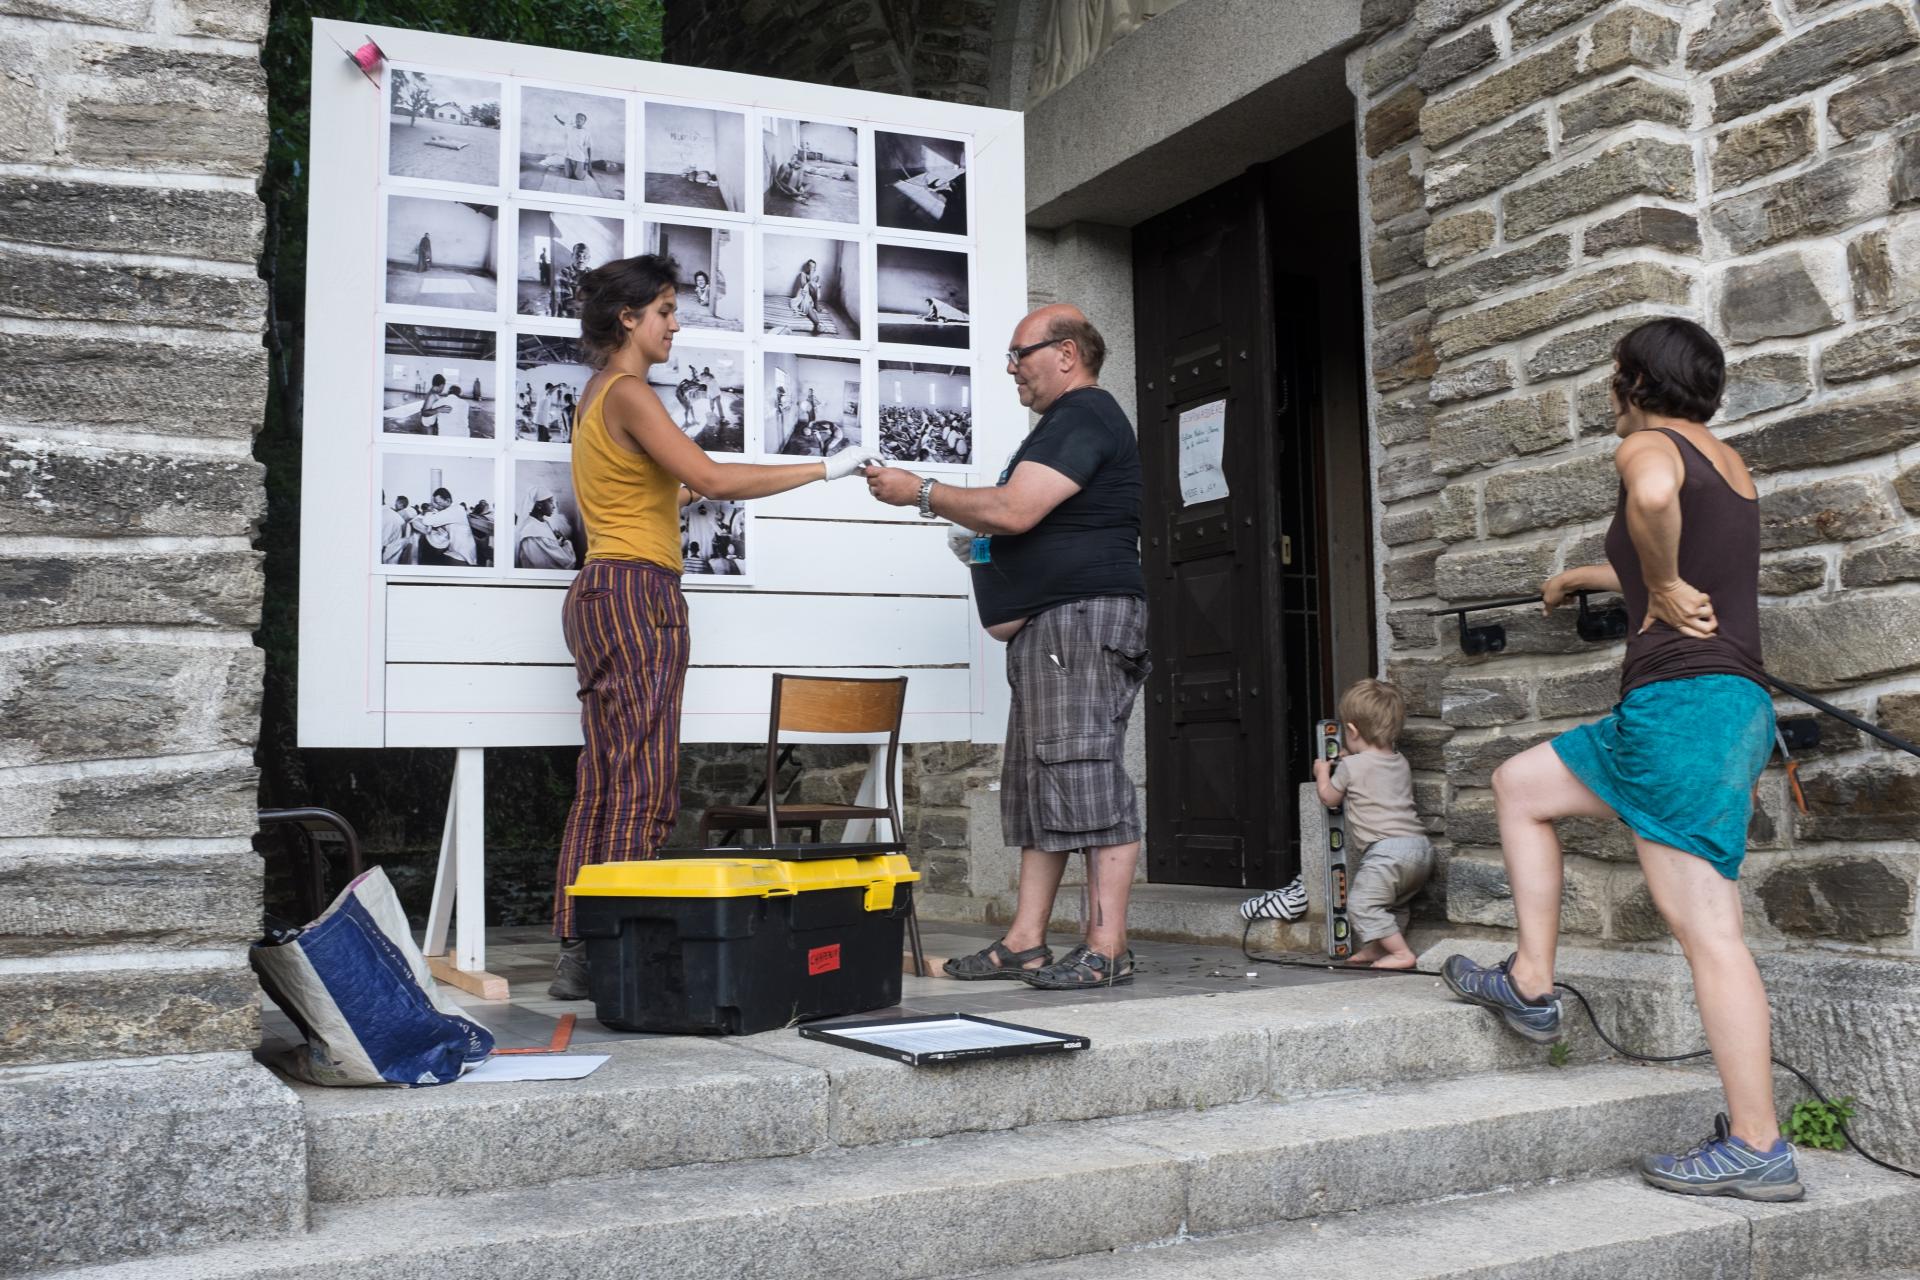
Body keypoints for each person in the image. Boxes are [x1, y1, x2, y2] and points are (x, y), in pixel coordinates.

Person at [1440, 318, 1802, 1202]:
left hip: (1683, 709)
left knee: (1708, 931)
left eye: (1614, 377)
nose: (1611, 391)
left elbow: (1649, 502)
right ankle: (1529, 981)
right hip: (1710, 707)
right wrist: (1586, 578)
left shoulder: (1648, 447)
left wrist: (1668, 583)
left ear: (1635, 383)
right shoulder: (1725, 460)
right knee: (1519, 786)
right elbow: (1662, 543)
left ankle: (1759, 1145)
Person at [548, 253, 873, 1000]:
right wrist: (829, 468)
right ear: (629, 319)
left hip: (600, 590)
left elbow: (675, 484)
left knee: (603, 782)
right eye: (664, 310)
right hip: (637, 592)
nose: (675, 322)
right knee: (642, 785)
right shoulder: (629, 391)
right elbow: (717, 480)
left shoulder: (599, 394)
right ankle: (616, 950)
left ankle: (580, 945)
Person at [865, 304, 1148, 989]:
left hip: (1080, 623)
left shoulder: (1085, 414)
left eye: (1020, 353)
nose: (1012, 368)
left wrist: (921, 492)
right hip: (1052, 630)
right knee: (1037, 785)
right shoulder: (1062, 425)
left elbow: (1015, 509)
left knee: (1082, 773)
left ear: (1067, 353)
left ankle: (1107, 947)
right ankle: (1025, 942)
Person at [1309, 680, 1431, 970]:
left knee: (1363, 904)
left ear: (1351, 730)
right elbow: (1373, 769)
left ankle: (1402, 954)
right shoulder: (1399, 760)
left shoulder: (1351, 766)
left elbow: (1329, 798)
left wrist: (1322, 772)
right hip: (1419, 849)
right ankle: (1378, 949)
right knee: (1394, 905)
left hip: (1386, 852)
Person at [409, 487, 477, 566]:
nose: (436, 506)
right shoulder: (453, 509)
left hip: (462, 554)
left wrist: (429, 510)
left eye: (438, 503)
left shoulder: (454, 510)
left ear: (447, 500)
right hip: (455, 550)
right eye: (435, 503)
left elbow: (427, 521)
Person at [515, 489, 575, 569]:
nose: (554, 506)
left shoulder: (545, 522)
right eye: (550, 502)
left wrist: (559, 541)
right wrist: (566, 544)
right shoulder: (530, 531)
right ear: (539, 505)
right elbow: (542, 563)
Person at [790, 258, 824, 335]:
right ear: (807, 267)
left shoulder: (816, 277)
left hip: (811, 297)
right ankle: (817, 324)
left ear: (815, 269)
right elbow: (803, 285)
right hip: (802, 296)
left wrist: (812, 275)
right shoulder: (802, 274)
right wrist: (811, 275)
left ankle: (816, 307)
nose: (812, 269)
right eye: (810, 267)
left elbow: (814, 289)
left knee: (813, 285)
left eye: (813, 267)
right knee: (808, 307)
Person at [556, 110, 592, 181]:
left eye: (581, 119)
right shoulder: (571, 127)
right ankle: (570, 167)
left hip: (579, 157)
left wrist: (590, 161)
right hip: (569, 156)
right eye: (577, 118)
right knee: (568, 176)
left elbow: (589, 147)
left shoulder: (586, 132)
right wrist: (557, 118)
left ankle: (582, 168)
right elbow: (563, 123)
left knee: (579, 178)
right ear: (575, 119)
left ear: (584, 122)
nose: (578, 120)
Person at [380, 495, 410, 564]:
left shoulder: (400, 514)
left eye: (396, 503)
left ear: (401, 504)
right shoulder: (404, 513)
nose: (395, 504)